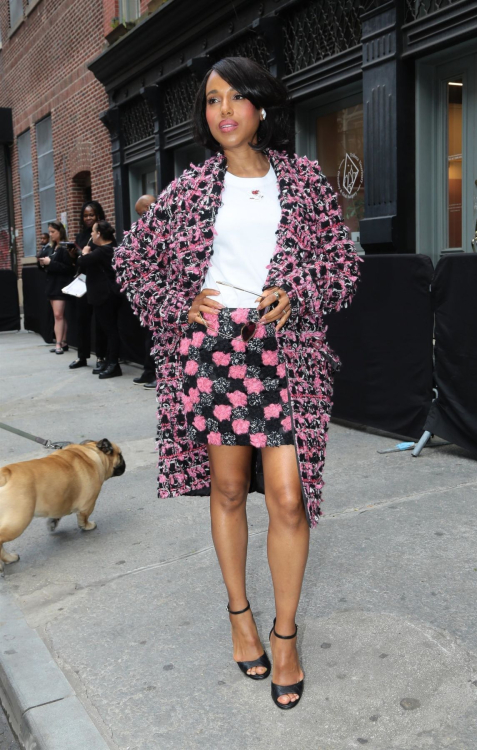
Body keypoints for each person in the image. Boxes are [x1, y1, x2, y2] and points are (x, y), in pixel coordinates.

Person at [114, 57, 360, 709]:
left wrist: (298, 290)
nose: (222, 109)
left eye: (235, 97)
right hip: (215, 352)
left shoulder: (305, 179)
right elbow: (130, 261)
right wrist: (179, 302)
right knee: (227, 488)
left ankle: (285, 636)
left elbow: (341, 262)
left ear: (260, 107)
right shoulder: (189, 188)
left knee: (286, 497)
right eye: (211, 100)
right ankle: (239, 617)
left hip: (283, 352)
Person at [79, 221, 123, 379]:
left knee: (110, 330)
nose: (91, 234)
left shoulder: (104, 250)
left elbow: (83, 262)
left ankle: (113, 364)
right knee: (108, 329)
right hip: (107, 294)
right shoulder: (111, 247)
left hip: (105, 295)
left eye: (93, 232)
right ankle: (109, 361)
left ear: (99, 234)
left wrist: (84, 252)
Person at [69, 201, 108, 373]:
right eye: (85, 215)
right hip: (83, 281)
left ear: (98, 215)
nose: (88, 218)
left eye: (91, 214)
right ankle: (82, 356)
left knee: (100, 321)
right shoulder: (80, 236)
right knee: (82, 319)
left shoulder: (104, 233)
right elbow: (78, 261)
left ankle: (101, 356)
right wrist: (73, 256)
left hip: (98, 281)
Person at [132, 194, 157, 390]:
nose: (141, 218)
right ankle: (149, 371)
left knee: (158, 336)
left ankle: (159, 374)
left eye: (142, 213)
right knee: (149, 334)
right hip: (147, 290)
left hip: (162, 289)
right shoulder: (144, 230)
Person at [37, 221, 75, 354]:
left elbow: (67, 268)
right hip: (52, 284)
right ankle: (63, 341)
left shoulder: (65, 248)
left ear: (60, 232)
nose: (51, 234)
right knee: (58, 315)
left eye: (53, 232)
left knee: (58, 315)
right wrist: (42, 263)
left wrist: (50, 262)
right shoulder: (52, 247)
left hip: (61, 284)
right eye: (50, 232)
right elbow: (49, 266)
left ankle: (58, 343)